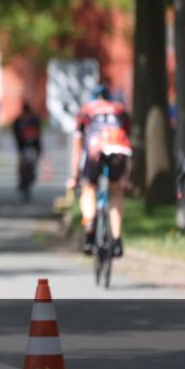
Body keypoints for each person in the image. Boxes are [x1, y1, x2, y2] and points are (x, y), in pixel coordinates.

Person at [66, 84, 131, 257]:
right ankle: (117, 241)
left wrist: (74, 177)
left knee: (88, 187)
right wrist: (125, 177)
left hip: (95, 147)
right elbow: (127, 143)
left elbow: (77, 146)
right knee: (116, 191)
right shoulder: (120, 109)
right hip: (117, 147)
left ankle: (89, 232)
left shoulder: (85, 110)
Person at [12, 102, 43, 195]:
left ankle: (32, 174)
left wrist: (39, 148)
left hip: (33, 145)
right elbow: (16, 135)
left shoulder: (34, 120)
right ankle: (21, 179)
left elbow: (38, 135)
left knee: (34, 160)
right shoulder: (18, 121)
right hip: (23, 146)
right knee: (21, 161)